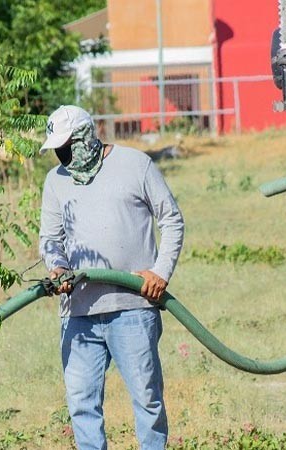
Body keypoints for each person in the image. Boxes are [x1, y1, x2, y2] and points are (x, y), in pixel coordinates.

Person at [38, 105, 185, 450]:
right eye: (57, 149)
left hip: (133, 305)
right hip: (79, 311)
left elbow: (172, 220)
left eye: (66, 146)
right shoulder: (56, 181)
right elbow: (50, 239)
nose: (62, 155)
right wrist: (57, 268)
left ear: (86, 137)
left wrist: (160, 273)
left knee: (147, 401)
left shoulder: (135, 165)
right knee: (81, 404)